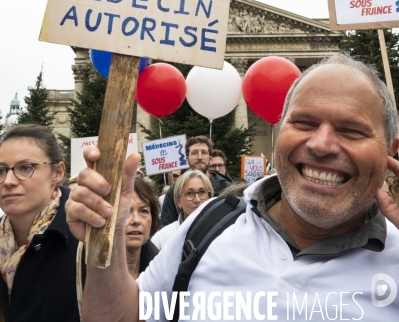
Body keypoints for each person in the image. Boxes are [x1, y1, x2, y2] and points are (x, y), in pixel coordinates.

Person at [66, 54, 399, 321]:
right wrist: (108, 232)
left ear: (390, 152)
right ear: (278, 130)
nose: (322, 144)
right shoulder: (211, 222)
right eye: (304, 122)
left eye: (352, 130)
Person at [0, 124, 83, 322]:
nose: (8, 180)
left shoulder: (85, 234)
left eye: (26, 168)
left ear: (57, 172)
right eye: (1, 170)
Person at [161, 136, 231, 226]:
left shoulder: (226, 188)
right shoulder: (174, 191)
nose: (199, 157)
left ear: (210, 159)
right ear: (187, 159)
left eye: (204, 152)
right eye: (194, 153)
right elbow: (167, 227)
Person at [151, 170, 213, 250]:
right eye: (190, 193)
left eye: (202, 192)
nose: (197, 200)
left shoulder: (223, 232)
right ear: (178, 201)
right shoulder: (162, 238)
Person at [125, 176, 160, 279]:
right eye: (126, 211)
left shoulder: (163, 273)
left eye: (143, 211)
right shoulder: (89, 268)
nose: (136, 220)